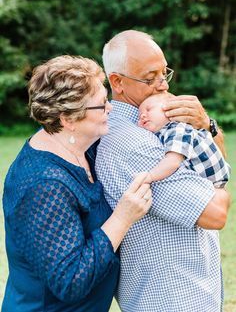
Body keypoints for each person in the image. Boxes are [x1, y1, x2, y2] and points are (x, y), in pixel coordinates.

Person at [2, 55, 152, 312]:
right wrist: (122, 218)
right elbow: (70, 282)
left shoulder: (80, 147)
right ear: (67, 119)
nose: (110, 109)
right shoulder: (44, 185)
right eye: (101, 105)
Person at [95, 30, 230, 312]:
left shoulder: (162, 125)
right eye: (149, 77)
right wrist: (219, 189)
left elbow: (218, 167)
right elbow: (216, 213)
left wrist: (207, 127)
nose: (162, 85)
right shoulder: (131, 141)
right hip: (171, 298)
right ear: (117, 82)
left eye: (164, 73)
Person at [138, 93, 231, 188]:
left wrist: (150, 176)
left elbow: (173, 161)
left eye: (148, 110)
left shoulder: (178, 129)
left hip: (214, 179)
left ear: (171, 110)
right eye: (140, 115)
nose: (142, 116)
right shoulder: (163, 132)